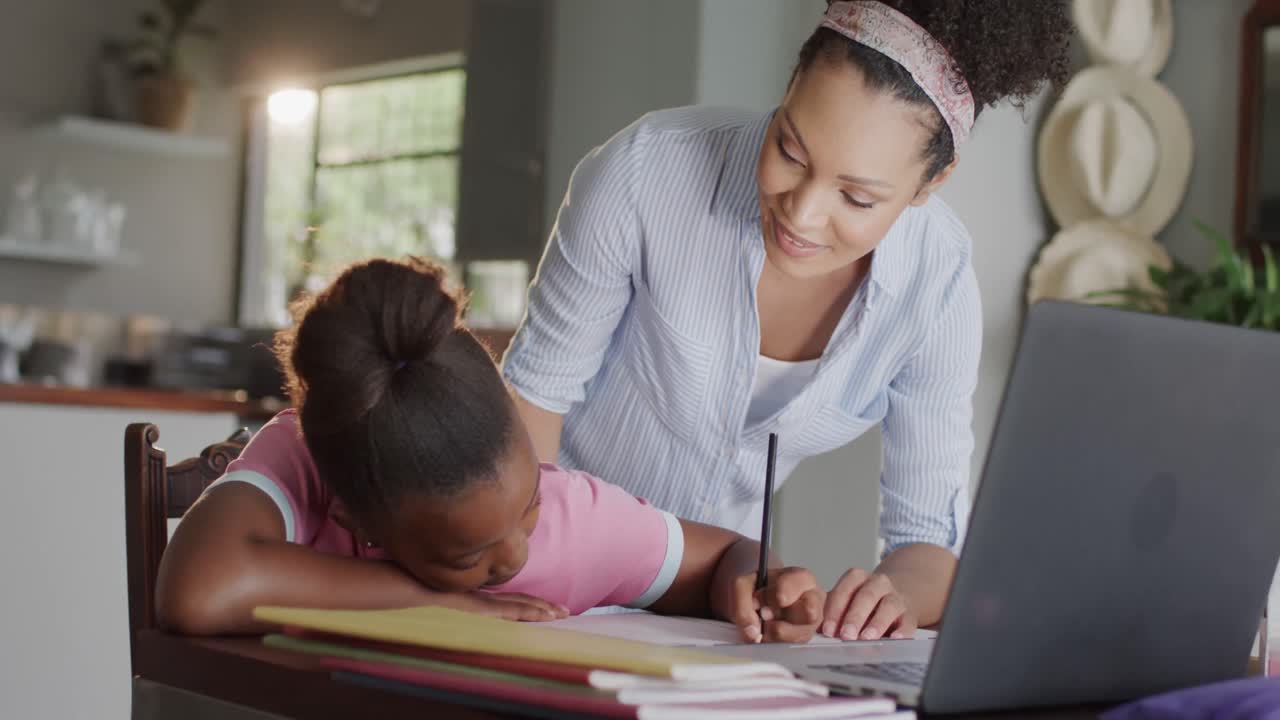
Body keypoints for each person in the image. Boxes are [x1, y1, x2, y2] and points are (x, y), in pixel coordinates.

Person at [502, 0, 1073, 642]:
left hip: (712, 613)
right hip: (547, 582)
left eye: (856, 197)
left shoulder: (935, 285)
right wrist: (527, 575)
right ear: (787, 90)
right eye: (790, 150)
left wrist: (887, 599)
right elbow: (532, 404)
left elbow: (929, 546)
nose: (801, 214)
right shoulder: (645, 174)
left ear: (930, 183)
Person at [156, 257, 824, 643]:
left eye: (527, 503)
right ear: (355, 518)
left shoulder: (569, 525)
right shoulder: (309, 460)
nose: (516, 556)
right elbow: (196, 590)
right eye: (468, 556)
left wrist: (754, 579)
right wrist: (430, 600)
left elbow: (715, 557)